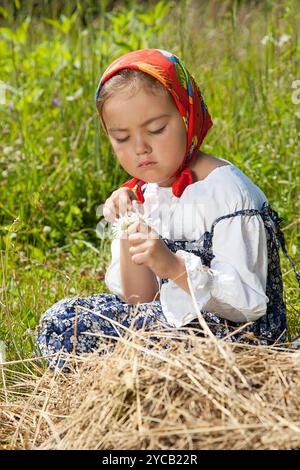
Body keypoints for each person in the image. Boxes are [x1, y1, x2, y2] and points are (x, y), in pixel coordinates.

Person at [35, 48, 300, 371]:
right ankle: (122, 386)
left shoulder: (228, 194)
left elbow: (249, 304)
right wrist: (129, 228)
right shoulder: (145, 193)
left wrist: (173, 266)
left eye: (157, 130)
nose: (140, 148)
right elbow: (139, 301)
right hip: (172, 325)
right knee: (61, 322)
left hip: (238, 337)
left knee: (146, 345)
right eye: (121, 138)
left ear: (188, 116)